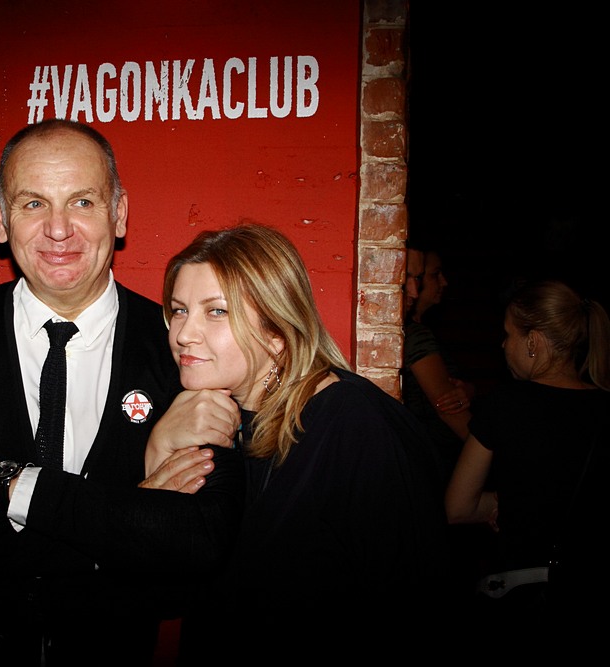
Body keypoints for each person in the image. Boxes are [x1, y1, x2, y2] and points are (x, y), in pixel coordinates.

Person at [0, 119, 244, 666]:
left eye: (82, 202)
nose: (58, 230)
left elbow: (194, 542)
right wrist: (123, 525)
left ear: (119, 214)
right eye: (33, 204)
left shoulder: (180, 344)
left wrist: (9, 487)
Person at [145, 223, 452, 655]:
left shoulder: (354, 422)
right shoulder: (211, 420)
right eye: (179, 310)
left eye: (216, 311)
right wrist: (158, 450)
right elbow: (168, 591)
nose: (183, 334)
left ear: (276, 330)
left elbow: (417, 603)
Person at [445, 280, 610, 631]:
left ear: (532, 341)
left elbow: (458, 507)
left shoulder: (504, 405)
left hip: (522, 596)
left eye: (508, 334)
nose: (503, 345)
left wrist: (500, 502)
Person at [402, 247, 475, 472]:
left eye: (418, 278)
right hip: (434, 463)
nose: (444, 282)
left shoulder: (422, 330)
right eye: (434, 275)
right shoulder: (414, 335)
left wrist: (468, 390)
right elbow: (448, 409)